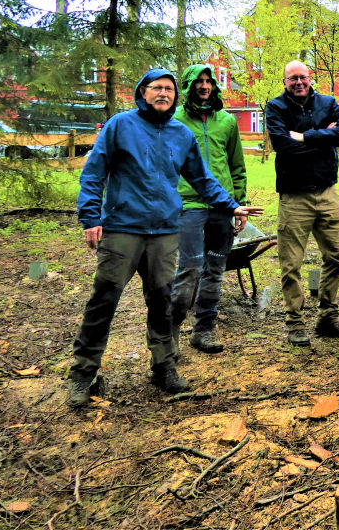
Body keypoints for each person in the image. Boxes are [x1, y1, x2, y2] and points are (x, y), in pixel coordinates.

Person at [69, 69, 262, 407]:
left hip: (164, 232)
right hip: (122, 230)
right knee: (103, 301)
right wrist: (90, 216)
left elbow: (202, 179)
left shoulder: (180, 134)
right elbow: (94, 172)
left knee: (162, 301)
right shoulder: (120, 126)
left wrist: (231, 205)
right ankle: (83, 375)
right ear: (141, 92)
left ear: (175, 95)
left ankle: (163, 366)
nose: (163, 94)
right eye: (156, 88)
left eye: (168, 89)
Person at [266, 61, 339, 347]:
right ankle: (295, 322)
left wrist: (305, 135)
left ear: (310, 77)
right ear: (285, 81)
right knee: (291, 263)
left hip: (328, 193)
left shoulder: (328, 102)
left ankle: (327, 316)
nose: (299, 82)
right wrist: (323, 137)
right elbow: (282, 145)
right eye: (292, 78)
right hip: (294, 197)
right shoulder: (276, 108)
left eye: (303, 77)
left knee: (336, 257)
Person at [171, 64, 247, 356]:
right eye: (198, 82)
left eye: (208, 81)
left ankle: (203, 330)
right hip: (187, 205)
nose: (204, 86)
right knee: (189, 269)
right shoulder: (175, 121)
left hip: (222, 206)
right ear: (188, 86)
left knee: (215, 270)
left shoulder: (226, 121)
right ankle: (171, 333)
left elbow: (237, 166)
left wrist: (237, 204)